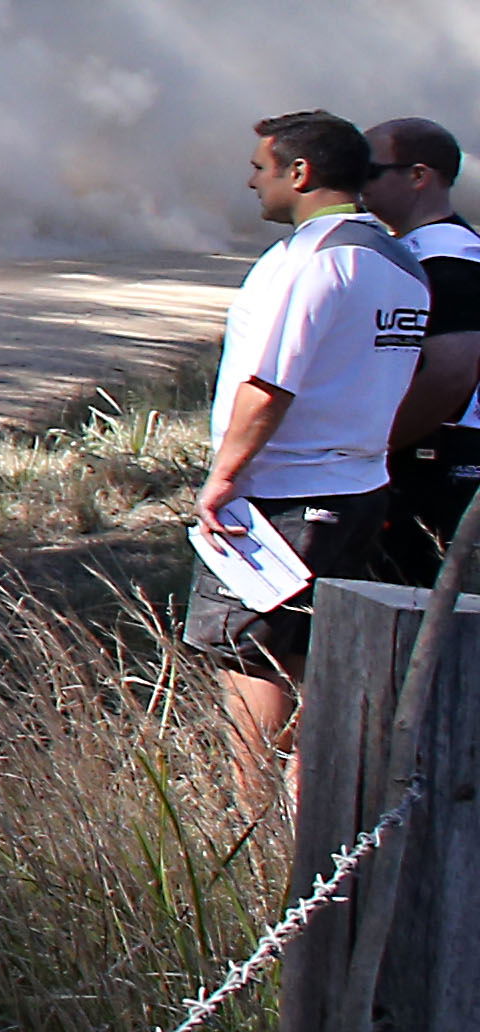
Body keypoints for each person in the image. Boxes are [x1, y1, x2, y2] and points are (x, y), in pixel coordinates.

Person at [190, 110, 429, 807]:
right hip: (358, 489)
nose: (250, 180)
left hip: (279, 496)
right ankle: (310, 811)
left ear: (301, 173)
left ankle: (249, 823)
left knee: (250, 653)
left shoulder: (311, 261)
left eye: (260, 168)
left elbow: (269, 385)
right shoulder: (400, 261)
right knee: (309, 658)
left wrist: (224, 477)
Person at [359, 116, 480, 584]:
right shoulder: (416, 251)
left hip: (438, 462)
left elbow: (451, 372)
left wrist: (374, 447)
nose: (358, 183)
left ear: (418, 175)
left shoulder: (450, 259)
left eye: (370, 171)